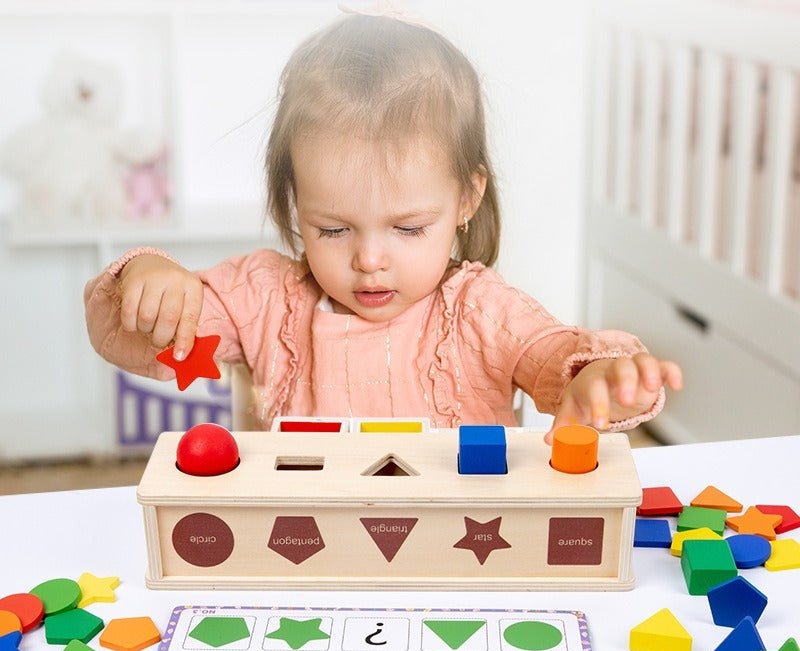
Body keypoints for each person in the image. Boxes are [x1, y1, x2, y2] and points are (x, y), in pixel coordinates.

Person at [84, 9, 682, 442]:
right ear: (297, 205)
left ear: (467, 199)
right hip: (307, 551)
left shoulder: (480, 309)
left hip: (463, 547)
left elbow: (556, 358)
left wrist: (600, 379)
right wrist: (150, 277)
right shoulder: (265, 300)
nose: (370, 260)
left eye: (410, 228)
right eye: (334, 230)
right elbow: (154, 340)